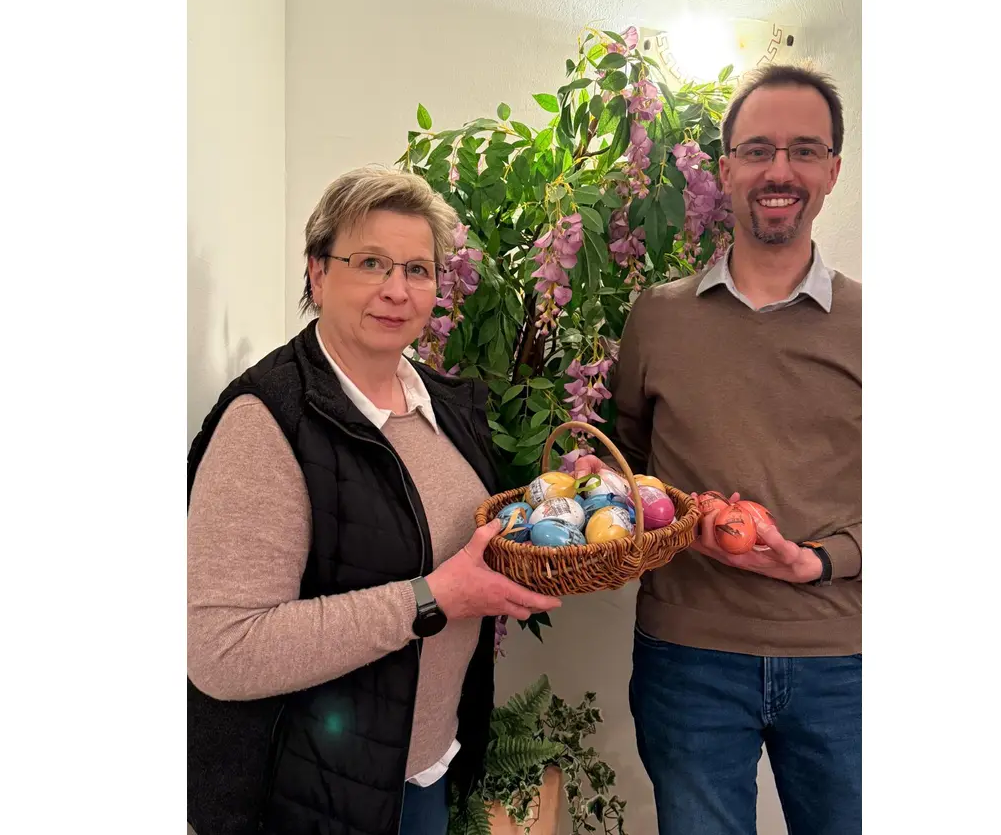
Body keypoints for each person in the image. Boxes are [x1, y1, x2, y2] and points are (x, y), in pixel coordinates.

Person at [185, 165, 560, 835]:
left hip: (422, 770)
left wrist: (572, 490)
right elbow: (222, 650)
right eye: (370, 262)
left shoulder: (441, 403)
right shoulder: (267, 422)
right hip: (311, 799)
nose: (397, 290)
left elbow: (459, 528)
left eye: (418, 269)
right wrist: (431, 599)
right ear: (318, 273)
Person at [605, 64, 862, 835]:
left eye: (804, 150)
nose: (778, 170)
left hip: (843, 661)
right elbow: (631, 465)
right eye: (757, 149)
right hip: (689, 660)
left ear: (832, 172)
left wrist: (818, 559)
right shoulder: (657, 318)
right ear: (726, 170)